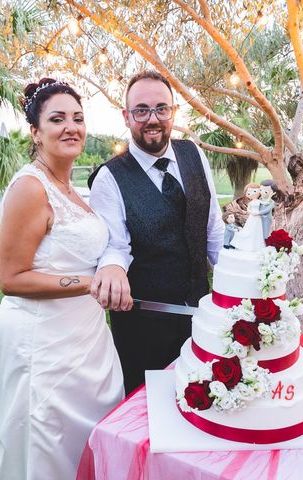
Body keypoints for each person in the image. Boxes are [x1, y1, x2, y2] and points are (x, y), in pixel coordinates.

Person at [0, 78, 124, 480]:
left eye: (78, 118)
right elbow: (11, 278)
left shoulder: (75, 189)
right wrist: (90, 285)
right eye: (58, 119)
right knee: (45, 450)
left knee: (87, 444)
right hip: (41, 345)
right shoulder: (30, 187)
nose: (72, 127)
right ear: (35, 131)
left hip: (87, 340)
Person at [88, 70, 224, 393]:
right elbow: (115, 246)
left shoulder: (194, 154)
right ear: (126, 116)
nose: (153, 119)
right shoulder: (108, 178)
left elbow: (213, 230)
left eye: (162, 109)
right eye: (141, 110)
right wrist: (111, 266)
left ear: (173, 112)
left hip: (201, 319)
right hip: (143, 330)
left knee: (207, 401)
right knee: (150, 415)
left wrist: (242, 283)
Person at [230, 182, 266, 251]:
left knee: (258, 230)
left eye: (255, 191)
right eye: (249, 193)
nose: (252, 194)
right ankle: (247, 244)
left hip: (258, 218)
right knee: (250, 229)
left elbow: (264, 207)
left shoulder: (260, 202)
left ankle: (257, 245)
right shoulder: (251, 203)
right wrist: (252, 212)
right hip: (252, 218)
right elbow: (248, 210)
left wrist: (259, 213)